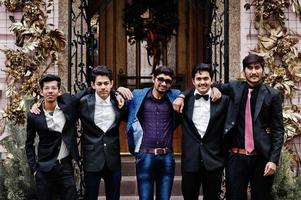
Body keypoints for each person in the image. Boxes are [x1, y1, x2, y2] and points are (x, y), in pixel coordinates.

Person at [173, 54, 284, 200]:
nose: (254, 72)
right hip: (236, 157)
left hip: (261, 158)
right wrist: (182, 95)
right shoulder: (234, 87)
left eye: (257, 68)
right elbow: (203, 87)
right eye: (250, 68)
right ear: (244, 71)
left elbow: (278, 130)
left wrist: (273, 160)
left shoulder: (273, 95)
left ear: (263, 70)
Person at [117, 66, 180, 200]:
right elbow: (118, 105)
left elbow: (193, 92)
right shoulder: (138, 96)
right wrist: (118, 90)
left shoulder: (174, 97)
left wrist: (183, 96)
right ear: (153, 78)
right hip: (145, 155)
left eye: (168, 81)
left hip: (167, 156)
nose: (164, 84)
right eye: (160, 79)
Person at [25, 74, 82, 200]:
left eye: (53, 88)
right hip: (44, 169)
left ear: (59, 91)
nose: (50, 91)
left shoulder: (68, 102)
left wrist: (117, 92)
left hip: (65, 166)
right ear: (41, 91)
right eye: (46, 88)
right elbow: (29, 144)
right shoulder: (34, 115)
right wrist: (34, 169)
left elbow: (88, 91)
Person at [180, 63, 229, 200]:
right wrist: (183, 95)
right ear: (193, 81)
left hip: (213, 160)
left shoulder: (223, 101)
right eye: (199, 79)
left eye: (206, 79)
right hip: (190, 161)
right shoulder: (185, 99)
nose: (202, 82)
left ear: (211, 80)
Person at [78, 65, 126, 200]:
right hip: (92, 160)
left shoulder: (119, 103)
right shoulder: (83, 103)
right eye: (99, 84)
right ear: (93, 85)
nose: (103, 87)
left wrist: (117, 93)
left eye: (106, 83)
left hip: (113, 160)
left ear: (112, 84)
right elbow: (64, 103)